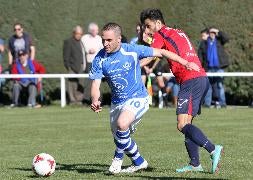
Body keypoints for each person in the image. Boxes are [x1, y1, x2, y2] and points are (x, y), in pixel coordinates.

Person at [89, 22, 199, 174]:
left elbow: (162, 53)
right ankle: (139, 162)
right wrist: (95, 99)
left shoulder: (132, 50)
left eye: (109, 40)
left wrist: (185, 62)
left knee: (122, 124)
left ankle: (117, 159)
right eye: (103, 40)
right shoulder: (99, 59)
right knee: (121, 139)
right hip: (117, 103)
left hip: (138, 97)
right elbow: (95, 84)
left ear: (119, 39)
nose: (105, 43)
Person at [140, 8, 223, 173]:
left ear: (158, 23)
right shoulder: (176, 31)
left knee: (182, 124)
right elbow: (166, 49)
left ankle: (213, 149)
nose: (147, 30)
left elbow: (150, 56)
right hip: (200, 78)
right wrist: (150, 40)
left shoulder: (160, 34)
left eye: (148, 26)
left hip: (190, 80)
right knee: (188, 123)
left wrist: (130, 65)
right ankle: (195, 164)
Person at [198, 27, 230, 108]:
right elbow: (200, 56)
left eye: (214, 33)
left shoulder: (219, 41)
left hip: (219, 68)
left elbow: (226, 38)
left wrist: (218, 31)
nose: (212, 34)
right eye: (211, 33)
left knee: (220, 85)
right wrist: (200, 67)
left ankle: (223, 103)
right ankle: (207, 104)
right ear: (208, 34)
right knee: (208, 86)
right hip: (208, 68)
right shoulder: (204, 43)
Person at [81, 23, 103, 104]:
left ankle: (99, 100)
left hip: (98, 62)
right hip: (89, 62)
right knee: (89, 82)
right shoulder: (84, 38)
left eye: (96, 30)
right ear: (90, 30)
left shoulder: (99, 38)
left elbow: (102, 49)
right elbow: (86, 49)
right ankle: (87, 100)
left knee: (97, 81)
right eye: (93, 30)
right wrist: (89, 50)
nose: (95, 32)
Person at [63, 25, 85, 104]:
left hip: (81, 66)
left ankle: (79, 100)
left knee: (80, 83)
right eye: (78, 33)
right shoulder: (68, 42)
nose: (79, 35)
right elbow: (66, 56)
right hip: (72, 67)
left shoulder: (82, 42)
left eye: (81, 34)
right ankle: (72, 100)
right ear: (74, 33)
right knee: (72, 84)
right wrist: (68, 67)